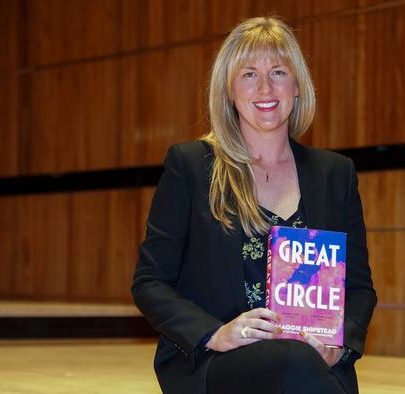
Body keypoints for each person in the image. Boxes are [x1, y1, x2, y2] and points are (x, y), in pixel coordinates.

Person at [132, 16, 377, 394]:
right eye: (248, 74)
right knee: (295, 363)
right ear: (229, 90)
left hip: (314, 365)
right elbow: (150, 283)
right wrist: (216, 333)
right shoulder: (192, 166)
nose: (265, 87)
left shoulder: (334, 174)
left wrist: (337, 347)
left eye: (278, 71)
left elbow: (359, 288)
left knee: (303, 365)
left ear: (297, 86)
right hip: (217, 360)